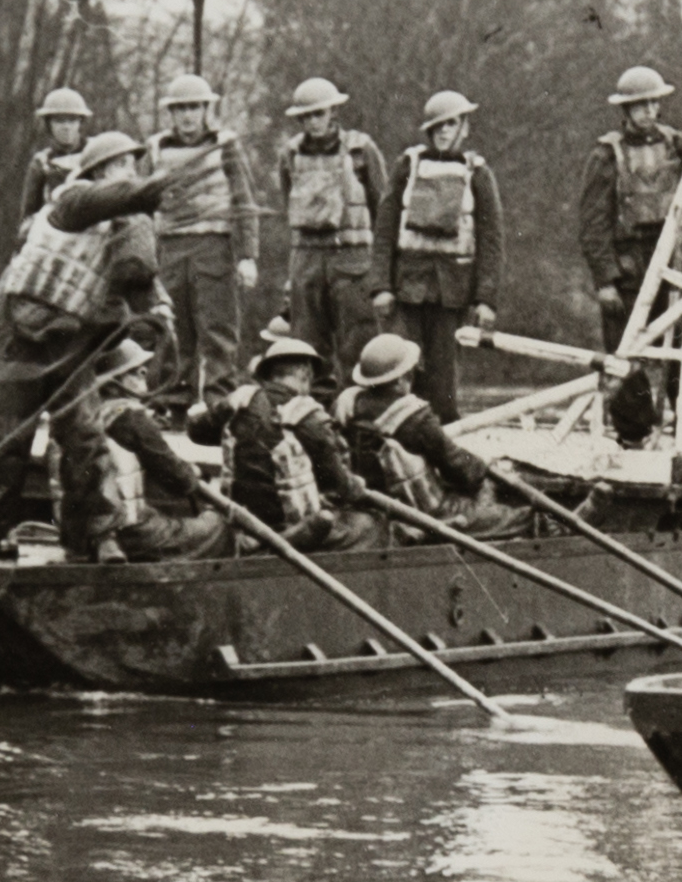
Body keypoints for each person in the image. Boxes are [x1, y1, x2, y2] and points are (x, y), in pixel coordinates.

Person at [0, 130, 206, 555]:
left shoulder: (127, 224)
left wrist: (158, 304)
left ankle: (103, 534)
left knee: (84, 436)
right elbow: (109, 199)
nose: (128, 175)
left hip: (68, 341)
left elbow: (135, 273)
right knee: (8, 436)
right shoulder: (72, 201)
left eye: (133, 168)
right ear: (96, 172)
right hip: (20, 332)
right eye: (119, 168)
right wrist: (148, 190)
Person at [579, 65, 682, 446]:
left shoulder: (678, 145)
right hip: (628, 267)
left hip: (671, 266)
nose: (647, 112)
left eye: (652, 104)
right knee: (626, 352)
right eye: (639, 106)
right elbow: (593, 223)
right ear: (625, 111)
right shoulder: (606, 155)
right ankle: (633, 431)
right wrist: (604, 280)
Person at [375, 89, 504, 420]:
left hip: (453, 291)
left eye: (452, 124)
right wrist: (381, 286)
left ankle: (443, 444)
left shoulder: (478, 173)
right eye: (438, 126)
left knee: (444, 378)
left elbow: (491, 239)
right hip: (407, 287)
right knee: (404, 370)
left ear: (464, 128)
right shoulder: (408, 166)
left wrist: (486, 298)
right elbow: (385, 228)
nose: (445, 132)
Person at [146, 74, 265, 419]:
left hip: (214, 248)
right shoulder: (156, 148)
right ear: (171, 113)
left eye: (194, 108)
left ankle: (218, 402)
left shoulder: (225, 145)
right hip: (170, 248)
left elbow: (244, 201)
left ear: (205, 110)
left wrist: (248, 256)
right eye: (180, 109)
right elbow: (142, 201)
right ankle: (172, 402)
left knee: (218, 328)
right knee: (172, 329)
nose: (187, 116)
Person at [50, 332, 228, 562]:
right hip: (133, 535)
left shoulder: (73, 420)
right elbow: (176, 477)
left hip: (76, 538)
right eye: (138, 371)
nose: (145, 375)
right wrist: (193, 474)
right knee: (217, 525)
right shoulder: (130, 417)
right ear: (116, 382)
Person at [337, 332, 529, 536]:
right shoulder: (415, 418)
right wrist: (484, 467)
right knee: (517, 515)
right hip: (425, 512)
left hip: (373, 504)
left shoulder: (347, 406)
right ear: (403, 378)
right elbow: (460, 468)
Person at [198, 332, 374, 549]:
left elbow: (197, 431)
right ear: (304, 371)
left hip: (243, 521)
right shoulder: (309, 416)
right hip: (291, 529)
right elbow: (340, 485)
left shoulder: (238, 400)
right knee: (368, 525)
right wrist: (357, 486)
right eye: (310, 376)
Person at [275, 77, 392, 380]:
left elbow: (383, 209)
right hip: (307, 260)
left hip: (352, 260)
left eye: (319, 114)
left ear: (332, 113)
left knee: (357, 340)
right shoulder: (290, 154)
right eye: (306, 116)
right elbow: (288, 203)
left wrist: (383, 270)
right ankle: (315, 414)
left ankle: (357, 409)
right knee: (307, 342)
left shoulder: (361, 150)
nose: (313, 122)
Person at [19, 86, 96, 225]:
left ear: (80, 123)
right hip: (56, 233)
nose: (66, 127)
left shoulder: (96, 153)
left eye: (72, 120)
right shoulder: (41, 163)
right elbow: (29, 214)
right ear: (49, 125)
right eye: (59, 121)